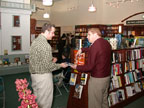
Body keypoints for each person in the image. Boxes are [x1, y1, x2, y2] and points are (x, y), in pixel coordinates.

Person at [29, 23, 68, 108]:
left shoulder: (35, 41)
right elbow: (48, 67)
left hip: (34, 76)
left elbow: (37, 59)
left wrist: (50, 59)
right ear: (46, 31)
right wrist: (60, 65)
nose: (54, 35)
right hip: (43, 78)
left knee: (37, 102)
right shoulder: (46, 45)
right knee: (45, 104)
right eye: (53, 32)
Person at [70, 28, 112, 108]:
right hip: (106, 77)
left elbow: (89, 67)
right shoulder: (106, 43)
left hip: (97, 80)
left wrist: (76, 67)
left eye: (89, 34)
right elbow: (96, 50)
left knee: (94, 104)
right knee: (104, 102)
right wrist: (82, 49)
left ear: (95, 34)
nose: (87, 37)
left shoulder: (95, 46)